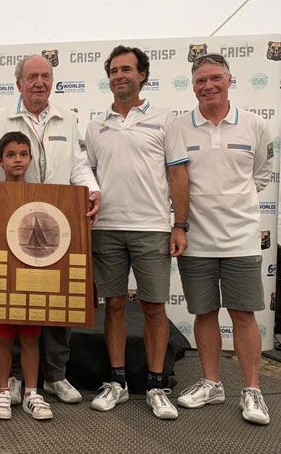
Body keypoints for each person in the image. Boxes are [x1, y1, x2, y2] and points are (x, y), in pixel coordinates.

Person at [0, 54, 101, 413]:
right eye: (31, 77)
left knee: (57, 301)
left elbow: (80, 166)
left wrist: (93, 188)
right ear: (19, 83)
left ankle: (54, 376)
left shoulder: (69, 118)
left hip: (60, 222)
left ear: (52, 80)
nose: (39, 82)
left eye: (45, 76)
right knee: (9, 301)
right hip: (12, 221)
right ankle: (11, 381)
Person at [83, 45, 189, 420]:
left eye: (126, 69)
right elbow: (87, 177)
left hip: (152, 229)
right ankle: (116, 382)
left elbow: (177, 174)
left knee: (154, 308)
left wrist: (179, 224)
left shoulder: (165, 119)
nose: (119, 76)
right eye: (113, 70)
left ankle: (156, 385)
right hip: (106, 229)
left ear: (142, 74)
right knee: (112, 305)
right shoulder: (95, 125)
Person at [170, 53, 272, 425]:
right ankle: (211, 383)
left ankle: (252, 390)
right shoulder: (179, 126)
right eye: (200, 80)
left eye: (215, 78)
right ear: (192, 85)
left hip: (241, 238)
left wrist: (233, 204)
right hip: (193, 237)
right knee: (204, 313)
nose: (208, 86)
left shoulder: (257, 126)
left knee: (243, 315)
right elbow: (176, 180)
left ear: (230, 80)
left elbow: (260, 175)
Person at [0, 131, 52, 420]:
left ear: (31, 159)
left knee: (31, 337)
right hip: (2, 275)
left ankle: (32, 392)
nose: (17, 160)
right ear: (0, 161)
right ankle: (2, 392)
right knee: (4, 336)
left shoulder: (44, 195)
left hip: (34, 275)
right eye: (10, 155)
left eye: (22, 154)